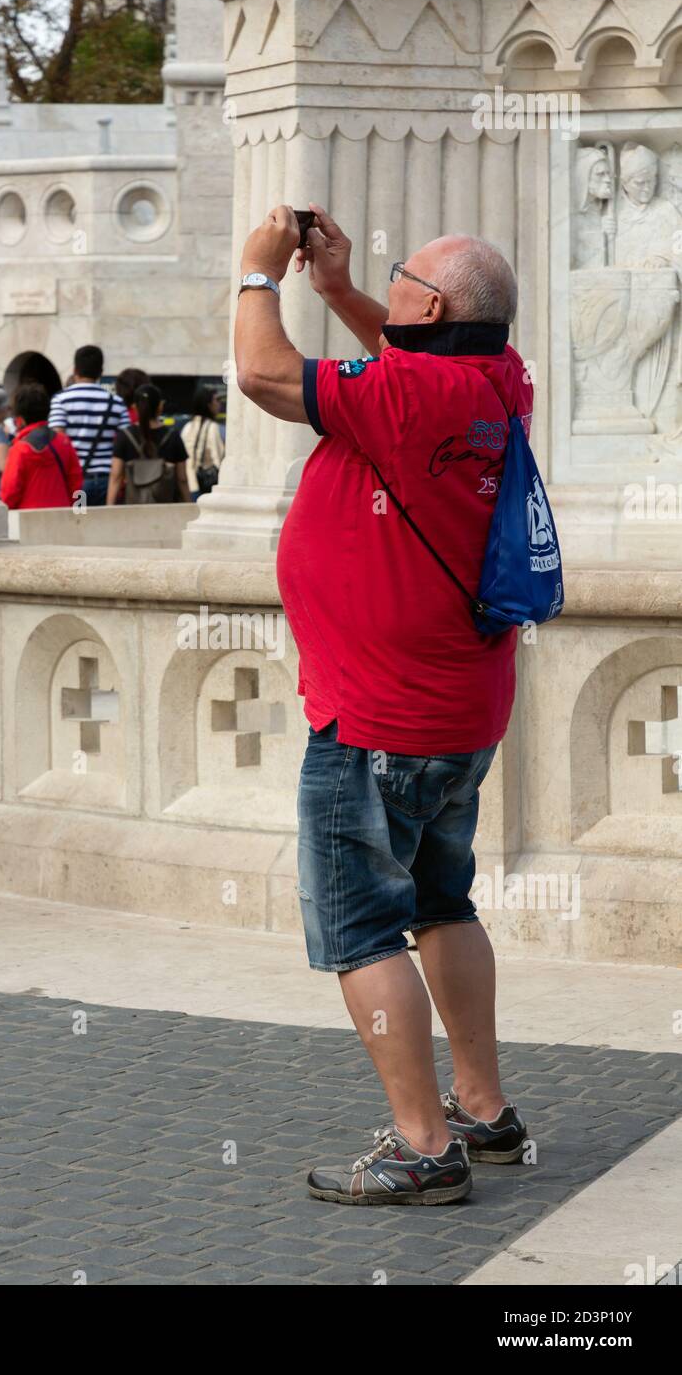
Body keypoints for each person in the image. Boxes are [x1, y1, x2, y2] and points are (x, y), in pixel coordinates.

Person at [235, 203, 531, 1205]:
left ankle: (421, 1145)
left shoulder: (407, 397)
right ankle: (482, 1109)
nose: (394, 279)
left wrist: (259, 274)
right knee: (443, 901)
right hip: (459, 710)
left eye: (404, 274)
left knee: (362, 927)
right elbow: (400, 360)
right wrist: (345, 290)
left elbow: (265, 374)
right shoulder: (500, 380)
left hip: (374, 723)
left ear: (433, 303)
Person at [48, 345, 129, 506]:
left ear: (75, 369)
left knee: (79, 525)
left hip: (77, 483)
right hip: (109, 481)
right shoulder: (117, 403)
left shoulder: (61, 400)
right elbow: (125, 443)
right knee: (105, 527)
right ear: (101, 371)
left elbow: (57, 441)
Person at [0, 381, 82, 510]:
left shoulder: (20, 450)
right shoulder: (64, 443)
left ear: (20, 419)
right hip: (63, 520)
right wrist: (79, 514)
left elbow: (9, 494)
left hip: (27, 522)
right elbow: (77, 483)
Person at [107, 382, 191, 505]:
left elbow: (116, 476)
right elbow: (182, 479)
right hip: (165, 508)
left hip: (133, 509)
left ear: (135, 407)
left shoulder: (124, 436)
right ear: (160, 407)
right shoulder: (173, 437)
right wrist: (188, 505)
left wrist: (109, 507)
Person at [181, 385, 225, 498]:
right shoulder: (213, 427)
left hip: (189, 484)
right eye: (216, 400)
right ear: (208, 404)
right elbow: (217, 458)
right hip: (207, 486)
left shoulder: (187, 427)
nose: (219, 404)